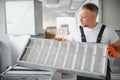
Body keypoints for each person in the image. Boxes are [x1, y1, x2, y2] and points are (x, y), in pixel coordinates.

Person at [67, 3, 120, 80]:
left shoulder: (108, 31)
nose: (80, 20)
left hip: (103, 74)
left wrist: (116, 53)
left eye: (84, 17)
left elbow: (118, 48)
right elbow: (66, 47)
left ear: (93, 17)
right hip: (82, 74)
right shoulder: (75, 32)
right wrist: (59, 42)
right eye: (80, 16)